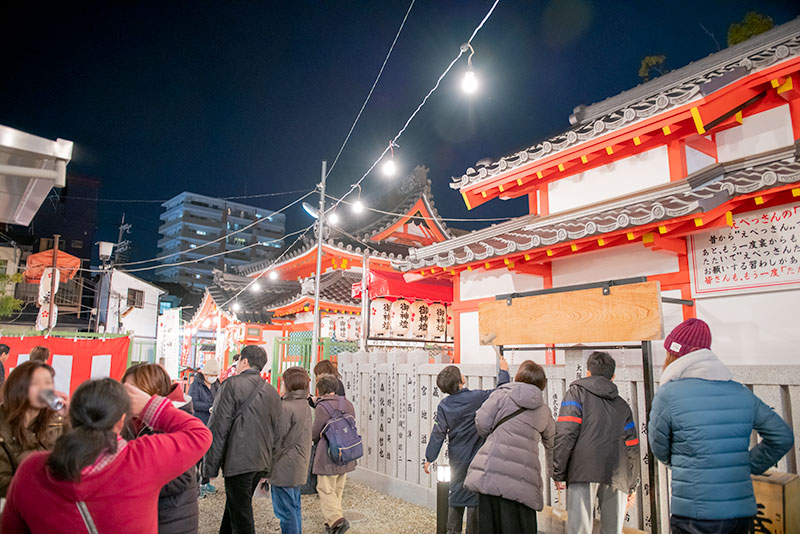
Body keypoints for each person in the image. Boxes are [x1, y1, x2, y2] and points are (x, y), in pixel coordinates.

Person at [1, 377, 212, 533]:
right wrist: (150, 406)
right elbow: (200, 434)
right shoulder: (142, 459)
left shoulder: (32, 469)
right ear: (121, 421)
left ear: (71, 417)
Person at [649, 318, 794, 534]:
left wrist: (684, 464)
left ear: (674, 355)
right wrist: (746, 465)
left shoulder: (669, 394)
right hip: (741, 512)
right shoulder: (740, 392)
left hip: (694, 512)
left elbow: (659, 447)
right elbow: (782, 437)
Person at [424, 338, 510, 534]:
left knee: (456, 493)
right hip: (478, 454)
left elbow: (437, 434)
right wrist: (504, 371)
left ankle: (452, 531)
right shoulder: (476, 398)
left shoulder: (444, 406)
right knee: (475, 496)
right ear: (460, 381)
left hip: (457, 456)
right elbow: (500, 394)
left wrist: (429, 459)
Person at [465, 360, 555, 534]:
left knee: (489, 526)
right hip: (524, 480)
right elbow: (552, 443)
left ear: (519, 376)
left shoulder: (500, 396)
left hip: (491, 472)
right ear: (542, 383)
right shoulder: (544, 411)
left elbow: (482, 423)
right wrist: (556, 474)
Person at [553, 351, 640, 534]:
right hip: (618, 473)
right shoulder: (623, 406)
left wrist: (559, 472)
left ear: (588, 372)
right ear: (613, 376)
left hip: (582, 470)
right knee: (612, 531)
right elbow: (632, 447)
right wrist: (631, 484)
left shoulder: (576, 394)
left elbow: (566, 433)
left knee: (579, 530)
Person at [203, 344, 282, 534]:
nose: (237, 364)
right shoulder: (272, 391)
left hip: (238, 460)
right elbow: (277, 432)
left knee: (241, 516)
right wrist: (269, 467)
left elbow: (218, 427)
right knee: (234, 508)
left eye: (239, 361)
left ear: (245, 361)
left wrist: (209, 468)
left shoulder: (231, 385)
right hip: (260, 461)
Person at [121, 363, 199, 534]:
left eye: (133, 390)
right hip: (143, 516)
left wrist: (128, 480)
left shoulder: (174, 420)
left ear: (152, 390)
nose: (127, 396)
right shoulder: (129, 420)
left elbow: (181, 477)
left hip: (171, 519)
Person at [0, 361, 67, 497]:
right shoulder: (3, 425)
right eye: (36, 383)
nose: (44, 389)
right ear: (18, 387)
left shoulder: (57, 421)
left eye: (48, 383)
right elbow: (2, 483)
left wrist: (72, 420)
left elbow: (79, 463)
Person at [268, 367, 312, 534]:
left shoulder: (286, 407)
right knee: (294, 508)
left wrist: (266, 467)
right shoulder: (304, 404)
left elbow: (277, 441)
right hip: (297, 465)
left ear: (288, 384)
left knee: (285, 512)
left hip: (283, 467)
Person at [312, 374, 357, 534]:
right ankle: (332, 521)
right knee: (338, 486)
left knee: (324, 487)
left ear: (321, 390)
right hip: (347, 452)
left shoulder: (322, 407)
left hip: (328, 453)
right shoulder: (348, 404)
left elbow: (316, 432)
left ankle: (337, 520)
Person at [188, 358, 221, 496]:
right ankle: (194, 486)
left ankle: (205, 482)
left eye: (215, 375)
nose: (213, 378)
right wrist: (209, 407)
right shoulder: (196, 385)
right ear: (205, 374)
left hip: (212, 423)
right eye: (211, 375)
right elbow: (193, 403)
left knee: (208, 455)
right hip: (199, 422)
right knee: (197, 456)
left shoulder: (217, 385)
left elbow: (220, 398)